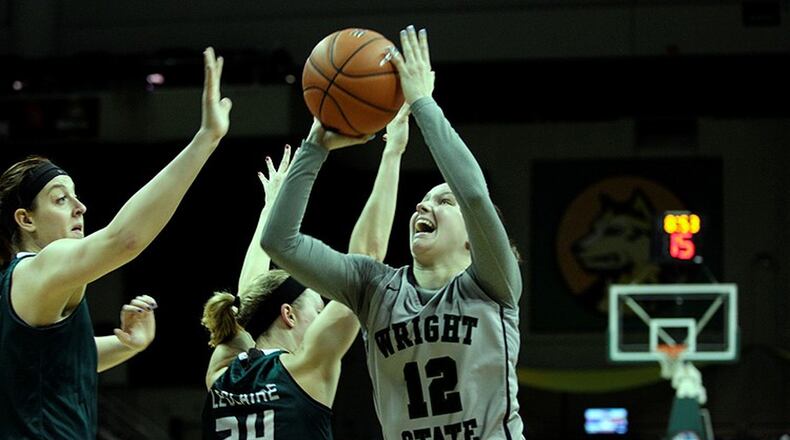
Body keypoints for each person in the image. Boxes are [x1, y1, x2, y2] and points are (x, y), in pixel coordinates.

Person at [261, 25, 523, 440]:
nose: (423, 205)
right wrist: (316, 144)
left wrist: (422, 102)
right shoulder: (374, 288)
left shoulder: (493, 284)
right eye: (424, 200)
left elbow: (473, 195)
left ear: (475, 239)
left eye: (443, 201)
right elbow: (279, 242)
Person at [0, 47, 232, 439]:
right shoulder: (39, 267)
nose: (80, 207)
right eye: (60, 199)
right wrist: (205, 140)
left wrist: (126, 345)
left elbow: (59, 363)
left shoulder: (20, 288)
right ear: (25, 219)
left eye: (75, 196)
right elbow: (125, 239)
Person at [201, 105, 410, 439]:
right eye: (318, 308)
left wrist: (270, 209)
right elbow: (365, 264)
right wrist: (393, 152)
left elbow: (250, 300)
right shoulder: (306, 368)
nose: (324, 314)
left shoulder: (220, 372)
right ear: (289, 314)